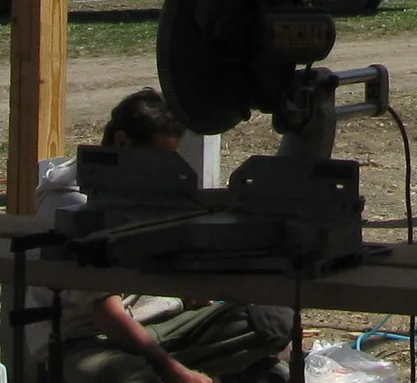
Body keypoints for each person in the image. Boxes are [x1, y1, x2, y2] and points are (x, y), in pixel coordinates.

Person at [50, 90, 293, 383]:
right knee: (135, 378)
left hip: (160, 328)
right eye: (159, 159)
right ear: (123, 143)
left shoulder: (149, 195)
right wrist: (174, 371)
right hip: (94, 340)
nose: (166, 171)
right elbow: (107, 314)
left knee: (271, 321)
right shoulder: (78, 205)